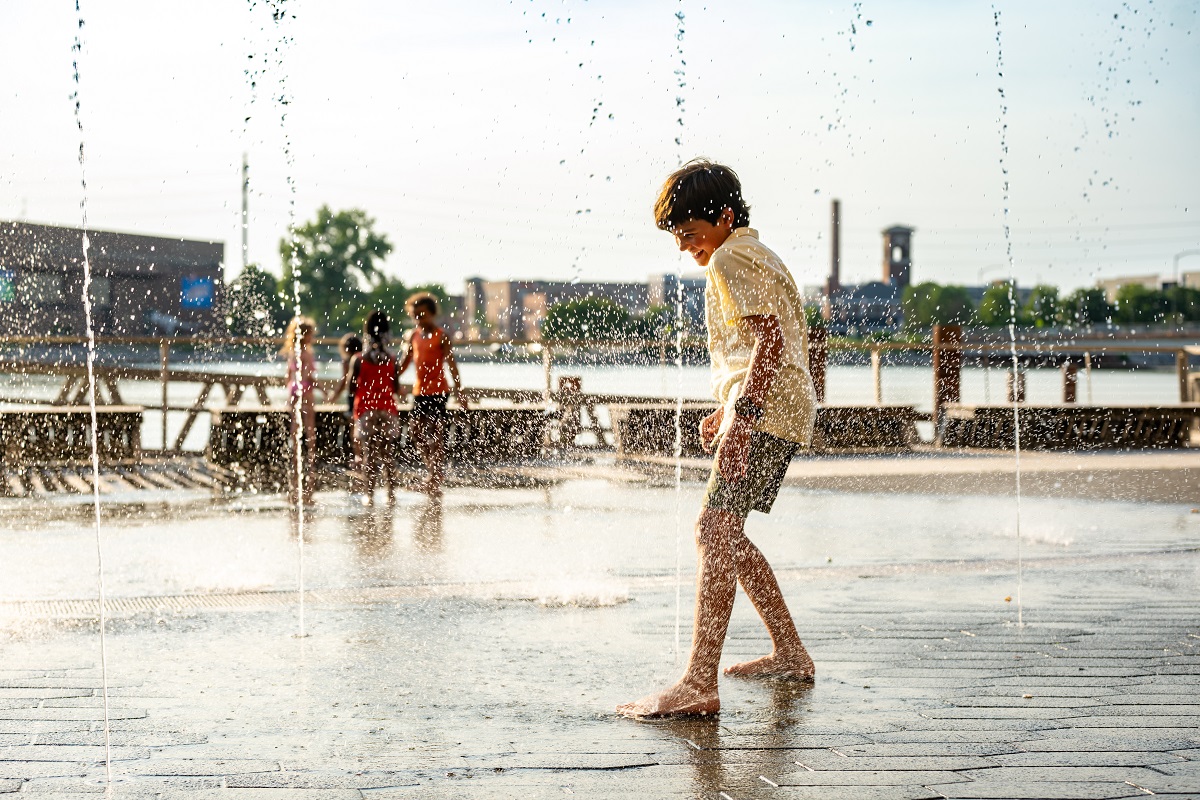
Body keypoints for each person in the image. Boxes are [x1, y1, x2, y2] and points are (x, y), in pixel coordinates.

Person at [618, 159, 818, 718]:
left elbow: (770, 343)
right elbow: (764, 346)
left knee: (714, 530)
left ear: (724, 217)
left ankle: (699, 683)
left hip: (767, 413)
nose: (685, 247)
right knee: (726, 534)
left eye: (690, 233)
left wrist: (743, 419)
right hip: (774, 408)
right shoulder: (758, 252)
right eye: (678, 237)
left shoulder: (729, 258)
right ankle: (790, 652)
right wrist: (727, 408)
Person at [398, 292, 467, 499]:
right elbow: (405, 362)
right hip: (420, 390)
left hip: (439, 390)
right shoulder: (413, 336)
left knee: (436, 434)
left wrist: (460, 390)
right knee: (415, 431)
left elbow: (452, 364)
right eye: (415, 315)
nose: (418, 318)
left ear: (432, 314)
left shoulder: (441, 335)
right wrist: (390, 379)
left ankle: (435, 477)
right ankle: (432, 470)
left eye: (422, 314)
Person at [349, 310, 403, 506]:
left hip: (366, 410)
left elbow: (351, 387)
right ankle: (391, 494)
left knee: (369, 453)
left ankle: (369, 495)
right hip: (388, 409)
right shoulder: (391, 358)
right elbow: (395, 387)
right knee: (388, 454)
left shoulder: (359, 360)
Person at [281, 315, 319, 505]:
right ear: (305, 335)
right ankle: (310, 464)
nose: (312, 337)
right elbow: (309, 376)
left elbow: (288, 376)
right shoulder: (307, 352)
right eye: (311, 334)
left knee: (295, 430)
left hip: (294, 391)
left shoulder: (292, 352)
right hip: (306, 392)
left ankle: (295, 463)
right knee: (310, 430)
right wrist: (323, 389)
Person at [328, 332, 365, 469]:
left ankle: (358, 457)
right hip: (363, 396)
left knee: (354, 428)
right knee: (364, 428)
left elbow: (345, 381)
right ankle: (366, 456)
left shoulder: (348, 361)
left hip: (353, 397)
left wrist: (335, 396)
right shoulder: (363, 359)